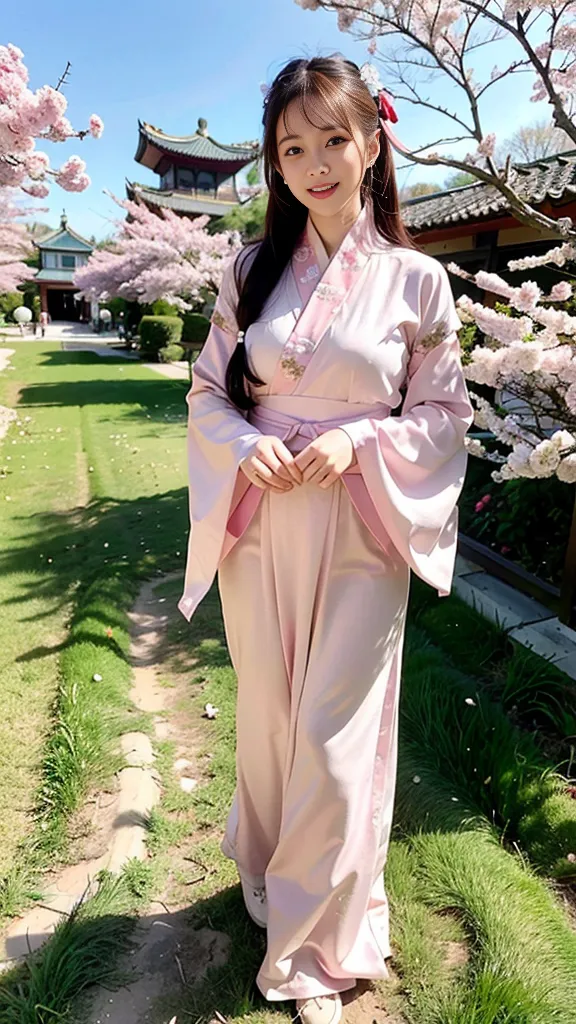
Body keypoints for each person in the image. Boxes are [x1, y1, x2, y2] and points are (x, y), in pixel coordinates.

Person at [179, 55, 474, 1024]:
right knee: (269, 720)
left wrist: (357, 437)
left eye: (332, 139)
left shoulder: (419, 282)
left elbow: (441, 415)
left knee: (335, 737)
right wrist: (241, 443)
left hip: (360, 527)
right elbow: (210, 394)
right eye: (291, 146)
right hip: (263, 526)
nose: (314, 163)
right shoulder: (245, 270)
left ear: (372, 143)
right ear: (274, 161)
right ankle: (271, 871)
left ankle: (312, 950)